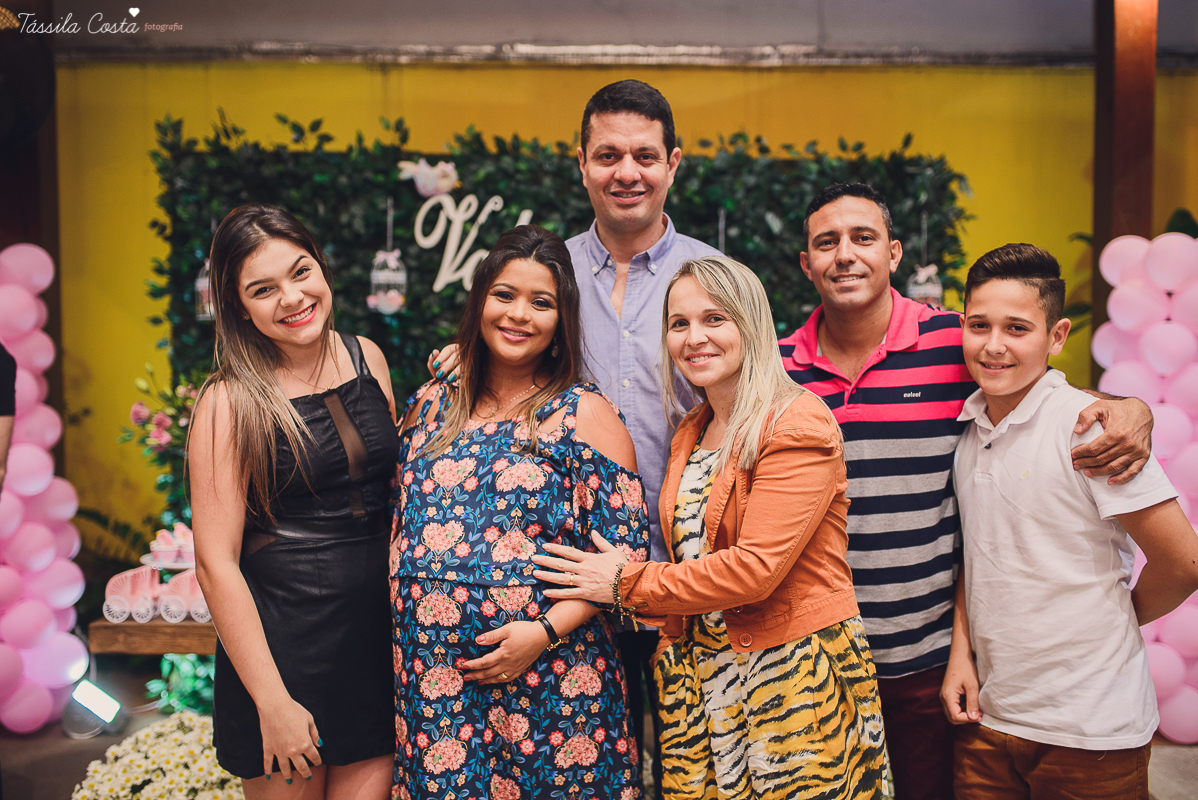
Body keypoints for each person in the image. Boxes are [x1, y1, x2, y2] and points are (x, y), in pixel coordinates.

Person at [777, 182, 1154, 800]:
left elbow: (1047, 389)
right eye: (827, 242)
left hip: (929, 659)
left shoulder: (959, 340)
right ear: (807, 262)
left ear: (894, 253)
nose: (845, 254)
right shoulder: (778, 366)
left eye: (863, 238)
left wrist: (1133, 407)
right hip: (818, 656)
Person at [428, 80, 721, 786]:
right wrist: (460, 354)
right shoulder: (546, 276)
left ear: (673, 163)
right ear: (580, 162)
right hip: (565, 590)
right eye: (608, 155)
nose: (628, 172)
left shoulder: (712, 278)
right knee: (587, 769)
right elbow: (501, 356)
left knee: (692, 775)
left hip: (687, 580)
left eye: (645, 156)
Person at [532, 256, 892, 799]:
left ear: (750, 324)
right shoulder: (693, 428)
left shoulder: (796, 421)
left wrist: (622, 583)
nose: (694, 337)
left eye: (714, 319)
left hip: (791, 680)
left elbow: (754, 570)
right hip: (704, 681)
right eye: (679, 324)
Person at [392, 224, 649, 800]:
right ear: (480, 299)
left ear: (562, 321)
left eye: (542, 302)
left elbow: (626, 558)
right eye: (504, 295)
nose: (519, 315)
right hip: (435, 689)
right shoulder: (432, 403)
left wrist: (541, 632)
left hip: (552, 684)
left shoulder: (585, 414)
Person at [941, 243, 1198, 799]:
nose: (993, 346)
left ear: (1056, 337)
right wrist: (961, 653)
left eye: (1016, 328)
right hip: (991, 715)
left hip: (1091, 725)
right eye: (980, 325)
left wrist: (1114, 618)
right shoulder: (968, 432)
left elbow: (1184, 562)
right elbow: (976, 556)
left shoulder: (1090, 427)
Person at [190, 204, 397, 797]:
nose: (291, 297)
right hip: (283, 653)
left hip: (374, 644)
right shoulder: (228, 402)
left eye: (300, 272)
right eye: (263, 289)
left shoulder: (367, 357)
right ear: (238, 307)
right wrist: (272, 702)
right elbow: (215, 564)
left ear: (322, 269)